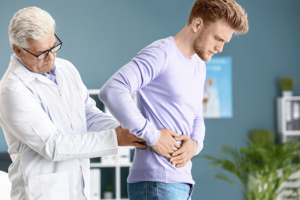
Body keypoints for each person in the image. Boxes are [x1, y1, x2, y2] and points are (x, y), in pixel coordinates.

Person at [99, 0, 249, 199]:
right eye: (217, 39)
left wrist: (195, 144)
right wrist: (153, 136)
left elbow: (197, 113)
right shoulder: (161, 53)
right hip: (155, 182)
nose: (220, 48)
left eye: (224, 42)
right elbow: (112, 90)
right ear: (197, 25)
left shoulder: (199, 65)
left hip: (181, 182)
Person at [0, 7, 146, 200]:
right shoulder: (12, 90)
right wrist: (116, 138)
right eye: (41, 53)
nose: (51, 58)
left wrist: (130, 130)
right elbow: (52, 146)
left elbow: (88, 116)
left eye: (53, 47)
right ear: (17, 50)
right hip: (43, 194)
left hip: (78, 189)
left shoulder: (66, 69)